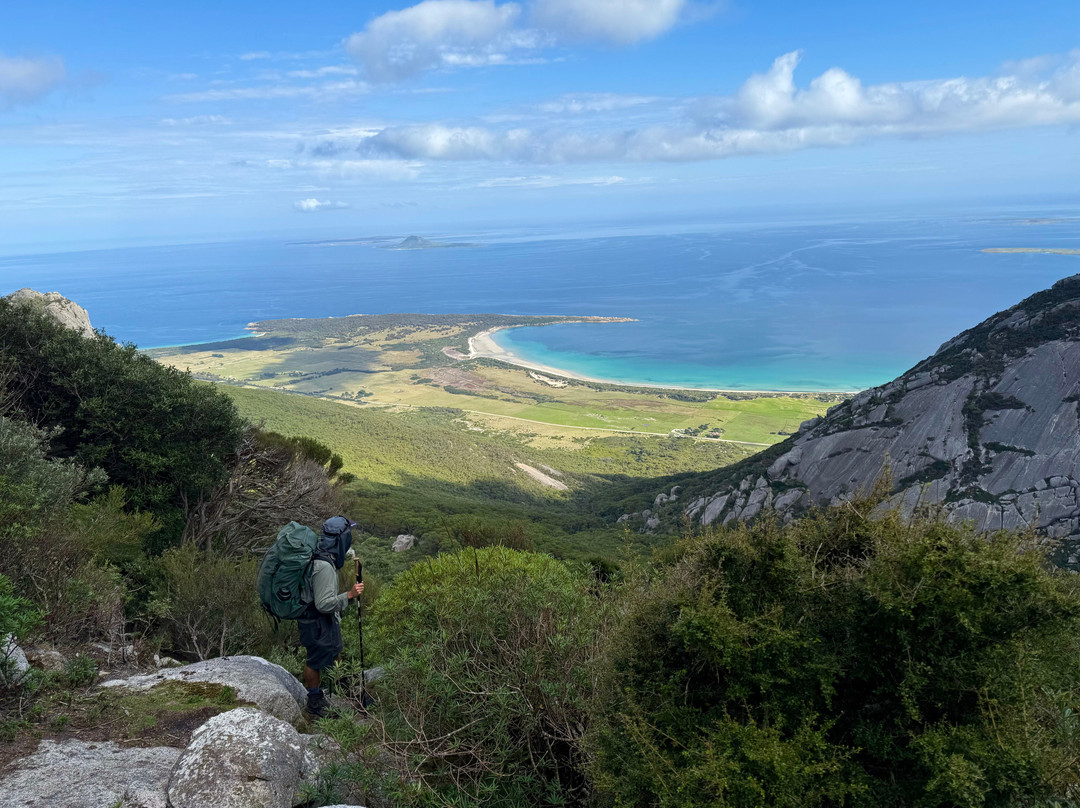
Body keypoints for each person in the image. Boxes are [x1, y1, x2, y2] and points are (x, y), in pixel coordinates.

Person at [299, 515, 363, 718]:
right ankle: (315, 703)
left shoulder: (321, 556)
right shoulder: (324, 566)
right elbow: (324, 603)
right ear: (340, 538)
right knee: (315, 659)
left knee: (332, 652)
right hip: (317, 621)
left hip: (315, 619)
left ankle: (342, 688)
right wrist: (350, 595)